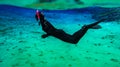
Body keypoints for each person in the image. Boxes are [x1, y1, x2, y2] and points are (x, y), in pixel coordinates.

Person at [35, 10, 105, 44]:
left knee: (84, 27)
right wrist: (46, 35)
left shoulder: (45, 22)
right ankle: (99, 22)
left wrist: (46, 35)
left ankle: (93, 25)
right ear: (41, 16)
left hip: (71, 36)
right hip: (73, 40)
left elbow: (51, 30)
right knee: (85, 27)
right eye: (42, 13)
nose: (43, 13)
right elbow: (51, 32)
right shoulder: (44, 25)